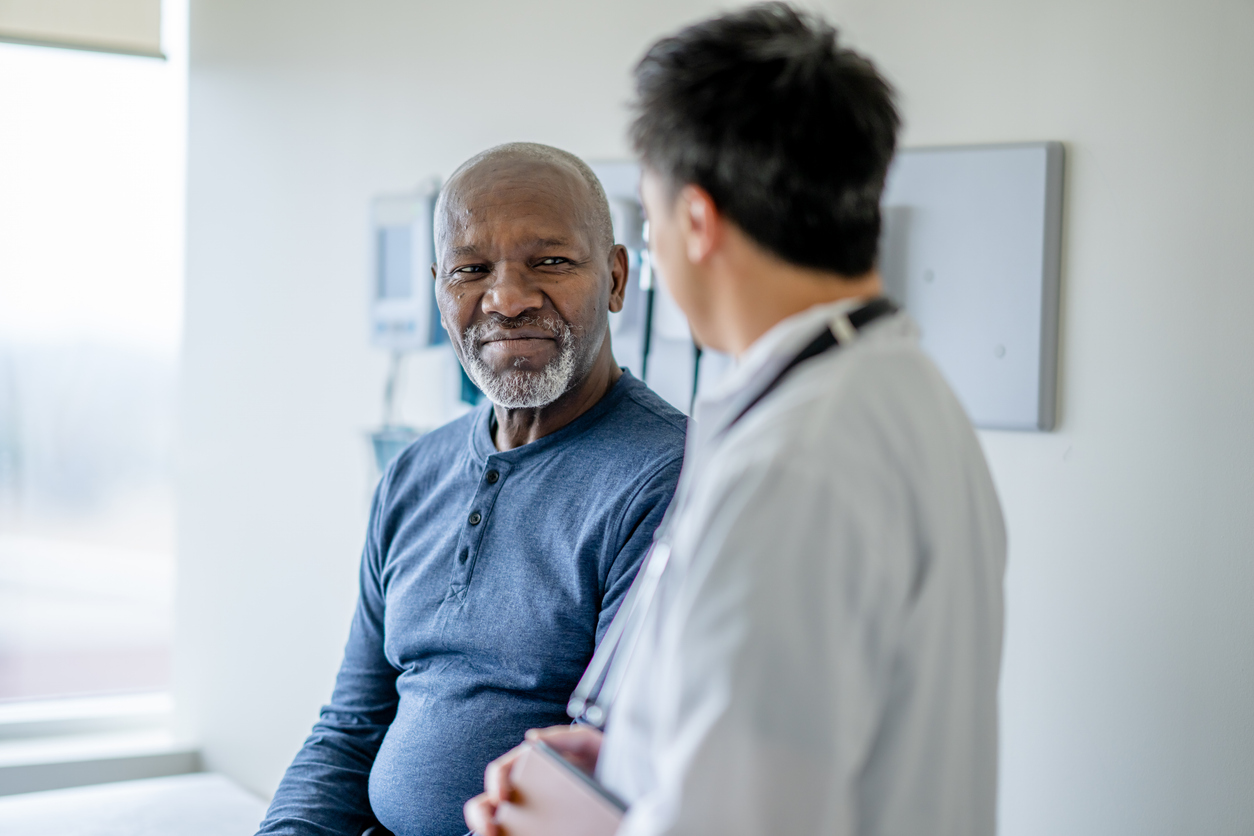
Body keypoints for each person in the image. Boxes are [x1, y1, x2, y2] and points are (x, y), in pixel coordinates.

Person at [465, 6, 1006, 836]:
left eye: (648, 220)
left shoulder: (793, 468)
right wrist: (628, 764)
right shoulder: (905, 397)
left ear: (696, 221)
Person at [257, 143, 688, 836]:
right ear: (438, 291)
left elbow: (605, 776)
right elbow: (350, 729)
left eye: (549, 262)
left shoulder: (668, 480)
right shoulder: (411, 476)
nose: (507, 299)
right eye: (471, 270)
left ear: (615, 279)